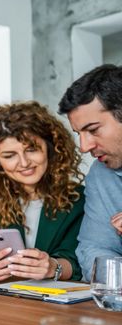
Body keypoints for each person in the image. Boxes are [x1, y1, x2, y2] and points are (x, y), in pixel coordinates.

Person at [0, 101, 85, 282]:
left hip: (53, 303)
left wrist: (53, 267)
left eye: (32, 149)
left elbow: (79, 261)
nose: (24, 163)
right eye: (9, 155)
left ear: (51, 147)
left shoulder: (78, 198)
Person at [59, 63, 122, 281]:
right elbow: (94, 250)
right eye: (79, 133)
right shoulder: (101, 174)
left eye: (93, 130)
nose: (83, 147)